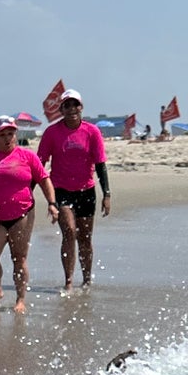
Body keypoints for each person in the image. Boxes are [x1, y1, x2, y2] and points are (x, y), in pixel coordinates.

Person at [0, 117, 57, 313]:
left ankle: (20, 299)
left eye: (11, 134)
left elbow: (44, 179)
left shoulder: (27, 156)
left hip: (22, 215)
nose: (8, 138)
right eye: (2, 135)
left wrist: (51, 204)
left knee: (19, 258)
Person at [37, 89, 111, 293]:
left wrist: (107, 194)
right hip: (61, 190)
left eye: (75, 104)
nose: (71, 109)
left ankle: (86, 280)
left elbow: (100, 164)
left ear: (81, 107)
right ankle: (68, 281)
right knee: (69, 232)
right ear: (61, 109)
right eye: (66, 105)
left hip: (86, 190)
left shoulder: (92, 131)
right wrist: (33, 191)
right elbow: (40, 164)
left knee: (85, 237)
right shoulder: (52, 133)